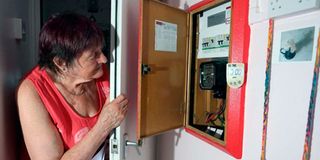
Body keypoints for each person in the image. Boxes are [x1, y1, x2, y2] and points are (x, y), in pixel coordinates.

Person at [16, 13, 128, 160]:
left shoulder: (98, 72)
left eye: (101, 50)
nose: (104, 59)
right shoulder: (32, 92)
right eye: (94, 55)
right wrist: (104, 126)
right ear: (61, 63)